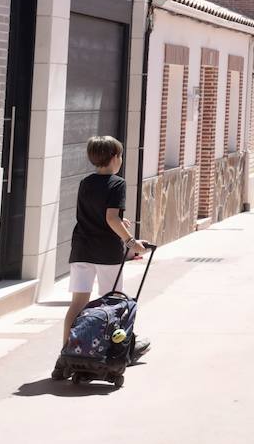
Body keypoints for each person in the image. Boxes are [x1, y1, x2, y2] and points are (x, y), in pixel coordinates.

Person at [58, 136, 150, 363]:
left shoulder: (85, 183)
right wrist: (131, 242)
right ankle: (116, 350)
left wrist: (120, 220)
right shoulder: (117, 183)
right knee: (114, 302)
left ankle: (66, 353)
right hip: (106, 251)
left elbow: (99, 214)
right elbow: (110, 218)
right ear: (114, 158)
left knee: (78, 303)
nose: (121, 159)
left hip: (81, 249)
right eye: (120, 155)